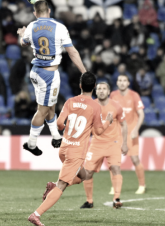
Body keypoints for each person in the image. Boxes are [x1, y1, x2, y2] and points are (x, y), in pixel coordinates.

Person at [27, 72, 113, 226]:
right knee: (62, 184)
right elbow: (99, 131)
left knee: (84, 176)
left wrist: (68, 130)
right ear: (94, 87)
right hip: (76, 152)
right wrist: (107, 122)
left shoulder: (70, 102)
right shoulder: (95, 106)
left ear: (80, 85)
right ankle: (36, 214)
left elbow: (59, 124)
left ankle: (53, 186)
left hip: (64, 148)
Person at [17, 0, 86, 156]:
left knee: (50, 106)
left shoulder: (31, 27)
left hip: (36, 71)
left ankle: (56, 137)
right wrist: (84, 71)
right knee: (42, 110)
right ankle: (31, 143)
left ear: (35, 13)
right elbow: (72, 52)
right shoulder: (59, 27)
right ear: (49, 10)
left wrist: (22, 34)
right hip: (48, 75)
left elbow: (23, 43)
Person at [80, 82, 128, 209]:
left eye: (104, 89)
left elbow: (124, 124)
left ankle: (116, 198)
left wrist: (125, 143)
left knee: (115, 168)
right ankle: (89, 201)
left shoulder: (116, 107)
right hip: (96, 143)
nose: (101, 91)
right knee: (87, 172)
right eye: (99, 89)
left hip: (114, 143)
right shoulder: (90, 106)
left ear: (108, 92)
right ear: (96, 92)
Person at [110, 74, 146, 194]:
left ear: (128, 83)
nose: (122, 82)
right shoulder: (113, 95)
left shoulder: (134, 95)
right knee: (114, 161)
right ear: (117, 82)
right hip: (117, 133)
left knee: (135, 159)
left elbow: (141, 114)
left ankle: (142, 185)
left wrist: (136, 129)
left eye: (124, 80)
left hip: (131, 132)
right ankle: (114, 186)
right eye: (119, 80)